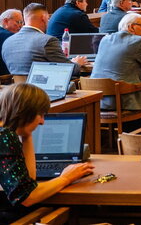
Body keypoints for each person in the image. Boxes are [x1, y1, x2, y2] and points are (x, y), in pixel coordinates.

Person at [0, 83, 95, 221]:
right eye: (41, 115)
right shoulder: (5, 138)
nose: (43, 122)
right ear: (26, 112)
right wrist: (66, 178)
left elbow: (29, 182)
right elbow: (27, 197)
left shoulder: (6, 133)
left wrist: (27, 136)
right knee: (71, 211)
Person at [90, 13, 141, 111]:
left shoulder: (105, 39)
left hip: (98, 101)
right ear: (131, 27)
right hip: (123, 102)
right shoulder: (136, 42)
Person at [2, 3, 86, 77]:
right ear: (43, 18)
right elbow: (68, 70)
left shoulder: (7, 42)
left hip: (18, 91)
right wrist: (77, 63)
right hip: (43, 92)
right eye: (48, 18)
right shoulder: (48, 41)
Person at [0, 9, 23, 76]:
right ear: (6, 21)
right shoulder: (8, 36)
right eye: (18, 22)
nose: (20, 26)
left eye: (22, 23)